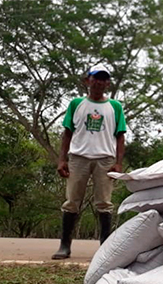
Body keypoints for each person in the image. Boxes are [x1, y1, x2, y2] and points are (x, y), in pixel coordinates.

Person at [53, 65, 126, 259]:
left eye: (103, 79)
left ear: (108, 83)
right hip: (79, 157)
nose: (99, 82)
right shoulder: (77, 104)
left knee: (104, 203)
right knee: (72, 201)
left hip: (105, 159)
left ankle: (105, 249)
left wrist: (119, 163)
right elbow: (67, 132)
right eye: (95, 78)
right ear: (88, 81)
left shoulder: (115, 107)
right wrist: (62, 159)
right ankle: (64, 246)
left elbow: (120, 136)